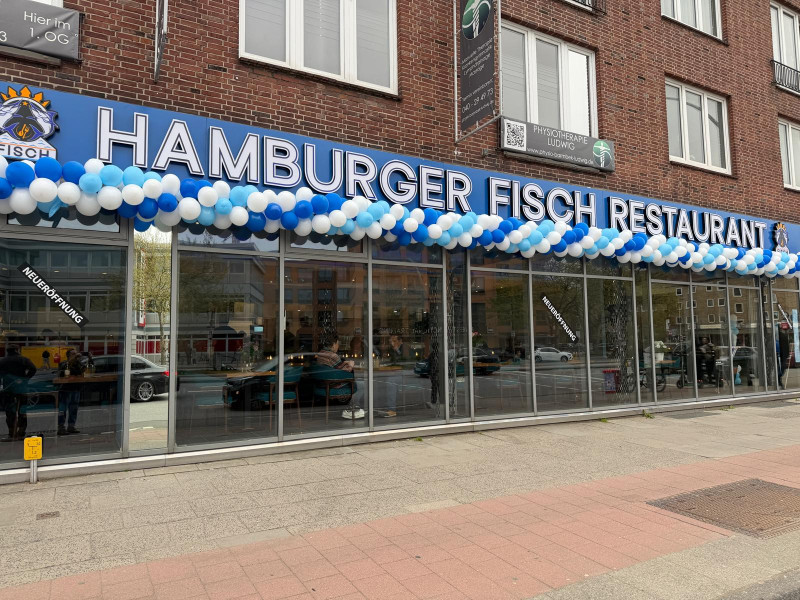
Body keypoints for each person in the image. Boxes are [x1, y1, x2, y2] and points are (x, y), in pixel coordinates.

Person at [315, 335, 363, 419]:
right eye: (337, 344)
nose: (338, 346)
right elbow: (344, 372)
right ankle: (353, 408)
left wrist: (344, 363)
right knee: (361, 384)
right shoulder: (333, 356)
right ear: (333, 344)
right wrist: (351, 365)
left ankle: (352, 407)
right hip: (333, 384)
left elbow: (336, 367)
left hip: (322, 383)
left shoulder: (320, 353)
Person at [0, 345, 37, 442]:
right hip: (21, 388)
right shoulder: (23, 359)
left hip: (8, 389)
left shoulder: (3, 361)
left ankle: (12, 433)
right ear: (17, 350)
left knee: (10, 412)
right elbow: (33, 369)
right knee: (22, 411)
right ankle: (21, 432)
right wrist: (25, 379)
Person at [57, 349, 83, 435]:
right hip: (65, 388)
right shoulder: (64, 363)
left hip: (76, 388)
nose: (75, 355)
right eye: (73, 354)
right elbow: (62, 372)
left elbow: (81, 371)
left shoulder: (78, 364)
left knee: (74, 408)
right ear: (68, 355)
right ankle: (61, 427)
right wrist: (72, 361)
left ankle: (71, 426)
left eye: (76, 353)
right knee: (63, 409)